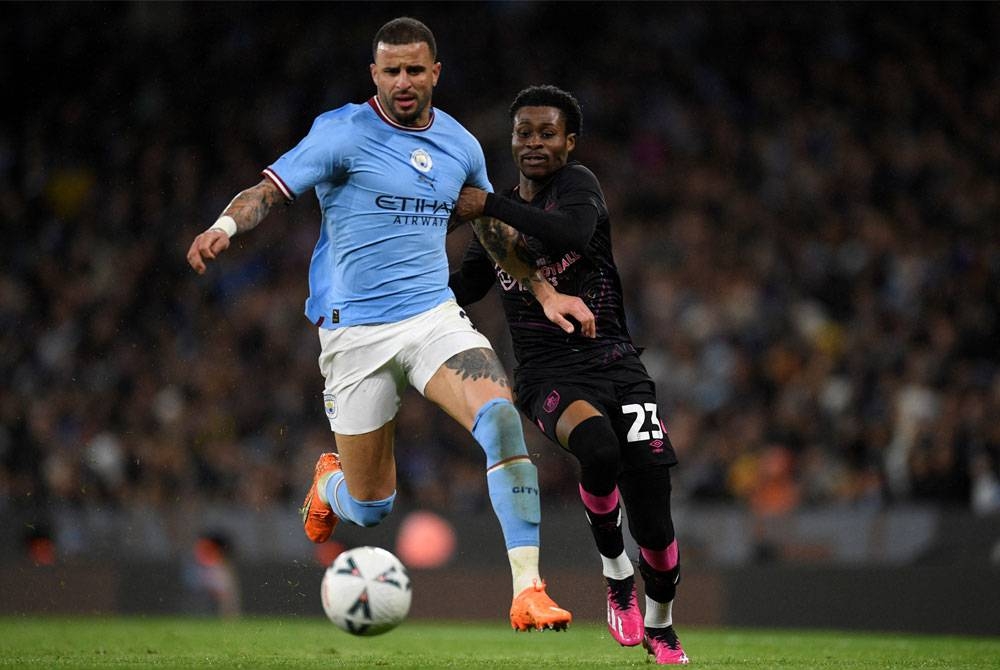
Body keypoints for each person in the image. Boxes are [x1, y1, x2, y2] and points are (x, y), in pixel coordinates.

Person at [186, 18, 594, 632]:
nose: (403, 82)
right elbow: (267, 191)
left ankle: (528, 590)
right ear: (374, 75)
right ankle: (329, 485)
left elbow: (489, 229)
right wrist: (224, 226)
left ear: (436, 72)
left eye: (415, 69)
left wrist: (543, 290)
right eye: (391, 70)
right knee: (372, 508)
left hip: (433, 318)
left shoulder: (460, 145)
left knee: (502, 418)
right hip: (355, 335)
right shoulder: (341, 133)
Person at [449, 85, 689, 663]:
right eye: (523, 133)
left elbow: (572, 236)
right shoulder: (495, 221)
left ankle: (660, 624)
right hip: (546, 373)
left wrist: (487, 206)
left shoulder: (577, 186)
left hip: (616, 364)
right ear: (510, 141)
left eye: (546, 133)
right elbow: (465, 288)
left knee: (655, 523)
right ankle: (615, 576)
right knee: (598, 451)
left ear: (569, 142)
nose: (533, 143)